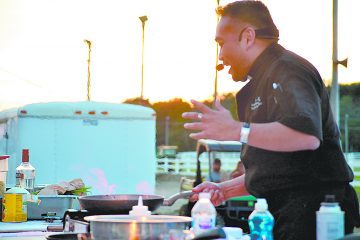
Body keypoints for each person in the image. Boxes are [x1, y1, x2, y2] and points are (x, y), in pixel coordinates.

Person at [182, 1, 360, 239]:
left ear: (247, 37)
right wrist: (223, 190)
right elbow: (276, 168)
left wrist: (237, 130)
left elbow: (306, 137)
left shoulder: (288, 70)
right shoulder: (253, 89)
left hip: (317, 211)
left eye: (222, 44)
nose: (221, 56)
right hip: (282, 211)